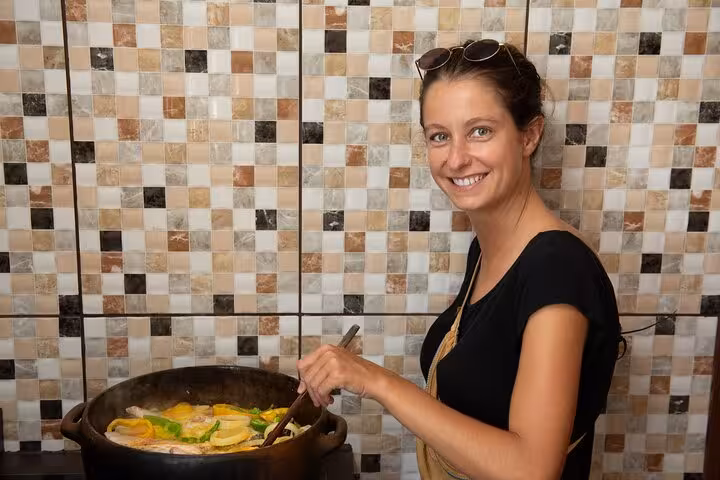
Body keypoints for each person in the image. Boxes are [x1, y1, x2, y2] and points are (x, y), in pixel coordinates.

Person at [297, 39, 621, 480]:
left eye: (480, 131)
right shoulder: (488, 251)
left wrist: (374, 381)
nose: (456, 158)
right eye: (440, 136)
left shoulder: (558, 269)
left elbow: (532, 469)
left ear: (529, 135)